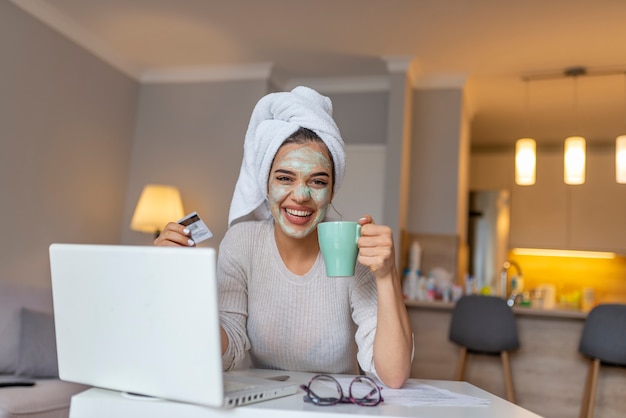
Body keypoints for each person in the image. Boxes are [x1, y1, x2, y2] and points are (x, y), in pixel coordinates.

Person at [155, 86, 413, 389]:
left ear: (332, 191)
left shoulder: (351, 248)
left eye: (317, 181)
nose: (300, 196)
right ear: (265, 184)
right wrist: (181, 281)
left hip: (338, 408)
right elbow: (228, 353)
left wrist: (386, 276)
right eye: (284, 178)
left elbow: (393, 376)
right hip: (264, 405)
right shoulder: (242, 243)